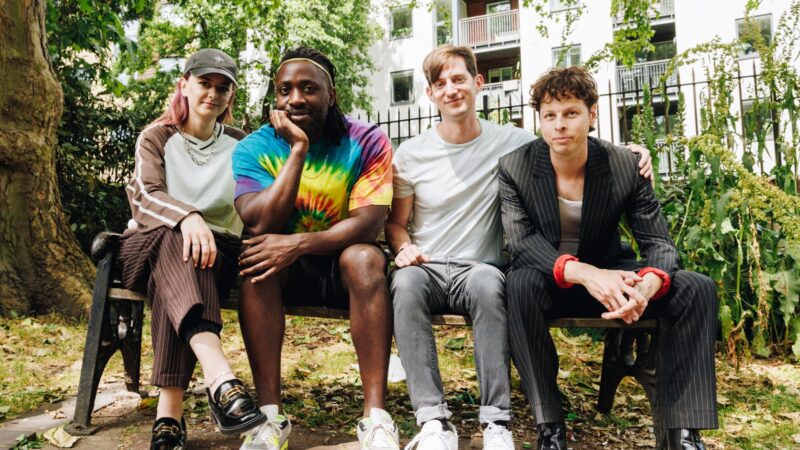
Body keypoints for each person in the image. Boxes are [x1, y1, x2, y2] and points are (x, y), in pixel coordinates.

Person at [386, 45, 653, 450]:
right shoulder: (412, 153)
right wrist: (403, 248)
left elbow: (564, 138)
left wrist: (632, 153)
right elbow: (395, 223)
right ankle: (433, 422)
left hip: (480, 267)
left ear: (478, 83)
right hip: (425, 267)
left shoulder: (511, 143)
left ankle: (496, 423)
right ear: (430, 93)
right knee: (403, 286)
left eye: (459, 79)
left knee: (492, 286)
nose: (451, 90)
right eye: (440, 84)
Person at [498, 66, 718, 450]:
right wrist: (583, 273)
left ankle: (685, 434)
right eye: (549, 116)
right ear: (540, 121)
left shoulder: (623, 165)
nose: (559, 125)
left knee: (696, 288)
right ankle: (549, 426)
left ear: (592, 114)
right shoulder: (515, 168)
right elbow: (522, 244)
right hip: (553, 280)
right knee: (518, 283)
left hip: (616, 279)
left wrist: (649, 284)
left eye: (571, 113)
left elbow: (660, 244)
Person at [232, 46, 398, 450]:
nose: (295, 99)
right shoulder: (253, 148)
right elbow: (259, 221)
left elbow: (369, 223)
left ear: (331, 94)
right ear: (275, 96)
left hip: (344, 264)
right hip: (286, 269)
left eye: (308, 88)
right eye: (285, 89)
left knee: (366, 257)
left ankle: (375, 418)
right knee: (256, 256)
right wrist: (298, 150)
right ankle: (270, 418)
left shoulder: (367, 140)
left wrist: (299, 243)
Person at [119, 48, 265, 450]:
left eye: (223, 88)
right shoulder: (156, 137)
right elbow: (145, 197)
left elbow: (255, 204)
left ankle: (169, 419)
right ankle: (221, 378)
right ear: (184, 85)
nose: (212, 94)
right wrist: (187, 217)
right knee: (176, 241)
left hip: (214, 255)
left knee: (190, 258)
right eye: (204, 84)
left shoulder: (242, 145)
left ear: (231, 95)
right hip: (145, 249)